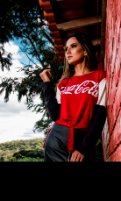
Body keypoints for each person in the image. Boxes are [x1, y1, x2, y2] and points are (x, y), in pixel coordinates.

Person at [39, 32, 107, 162]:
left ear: (85, 51)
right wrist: (47, 84)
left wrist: (84, 147)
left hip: (81, 139)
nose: (68, 51)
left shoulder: (99, 77)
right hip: (56, 140)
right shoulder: (63, 84)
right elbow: (55, 115)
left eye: (73, 46)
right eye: (66, 49)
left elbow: (100, 114)